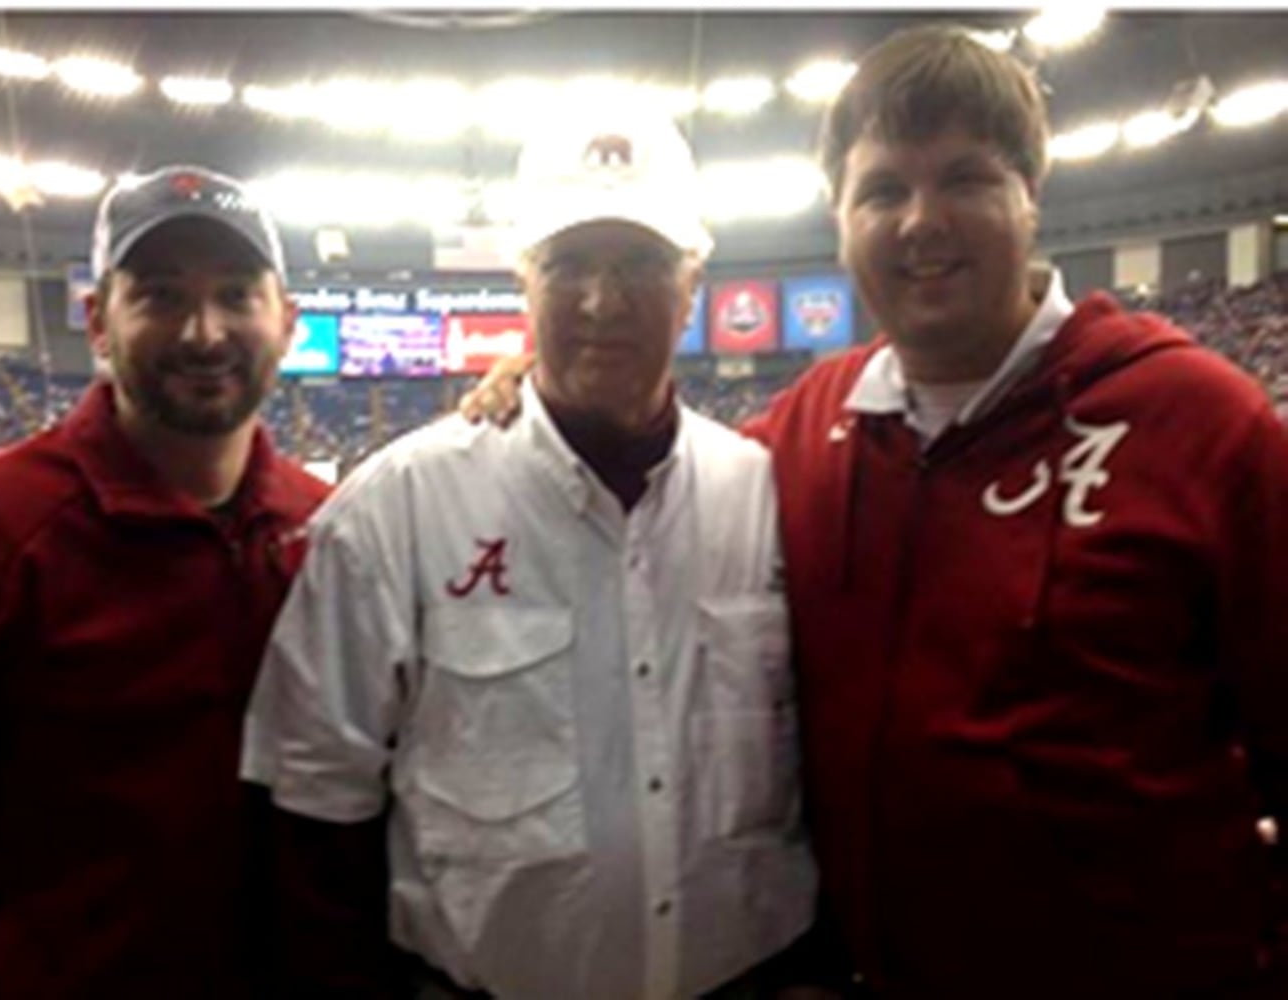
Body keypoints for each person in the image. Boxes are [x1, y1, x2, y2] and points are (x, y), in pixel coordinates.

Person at [465, 25, 1288, 999]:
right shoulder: (804, 431)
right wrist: (543, 383)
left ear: (1032, 194)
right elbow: (648, 457)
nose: (920, 222)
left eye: (966, 180)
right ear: (840, 217)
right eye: (883, 190)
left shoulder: (1198, 423)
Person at [242, 104, 817, 999]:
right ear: (523, 279)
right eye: (568, 264)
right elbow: (319, 803)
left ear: (693, 284)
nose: (601, 300)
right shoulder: (399, 505)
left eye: (639, 264)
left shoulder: (766, 493)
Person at [0, 165, 330, 999]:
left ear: (287, 322)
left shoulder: (335, 529)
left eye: (234, 293)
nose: (203, 331)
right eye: (158, 295)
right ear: (98, 322)